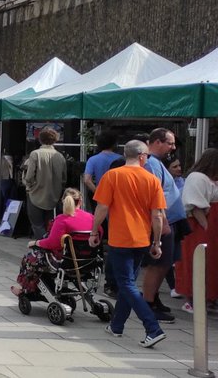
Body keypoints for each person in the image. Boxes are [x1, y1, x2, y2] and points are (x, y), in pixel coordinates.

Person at [90, 140, 168, 348]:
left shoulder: (112, 176)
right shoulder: (152, 180)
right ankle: (117, 325)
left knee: (125, 283)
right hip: (142, 239)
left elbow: (102, 208)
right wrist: (157, 241)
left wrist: (93, 231)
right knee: (129, 284)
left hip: (120, 238)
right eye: (148, 157)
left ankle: (153, 328)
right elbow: (158, 216)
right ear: (142, 156)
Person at [140, 128, 186, 323]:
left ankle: (152, 298)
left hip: (171, 220)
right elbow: (155, 196)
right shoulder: (151, 164)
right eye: (170, 143)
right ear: (157, 142)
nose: (173, 148)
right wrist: (162, 222)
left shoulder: (157, 163)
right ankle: (148, 304)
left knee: (165, 264)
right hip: (164, 221)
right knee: (157, 265)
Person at [12, 189, 94, 297]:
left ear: (63, 201)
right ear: (81, 201)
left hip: (65, 262)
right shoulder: (91, 218)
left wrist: (36, 243)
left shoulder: (62, 219)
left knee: (30, 258)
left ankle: (27, 290)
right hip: (88, 262)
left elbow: (52, 243)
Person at [176, 148, 218, 313]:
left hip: (210, 225)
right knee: (197, 261)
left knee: (211, 263)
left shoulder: (209, 179)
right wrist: (206, 227)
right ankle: (193, 299)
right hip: (201, 226)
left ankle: (209, 297)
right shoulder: (197, 178)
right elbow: (195, 206)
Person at [23, 127, 67, 239]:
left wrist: (29, 186)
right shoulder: (60, 156)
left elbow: (29, 176)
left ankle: (43, 248)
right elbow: (64, 178)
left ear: (40, 139)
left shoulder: (35, 154)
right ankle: (49, 247)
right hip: (54, 196)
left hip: (36, 194)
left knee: (37, 224)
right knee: (50, 225)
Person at [84, 131, 123, 201]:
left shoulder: (92, 160)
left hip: (101, 197)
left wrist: (97, 193)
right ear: (114, 143)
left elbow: (87, 180)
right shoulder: (121, 159)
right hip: (118, 196)